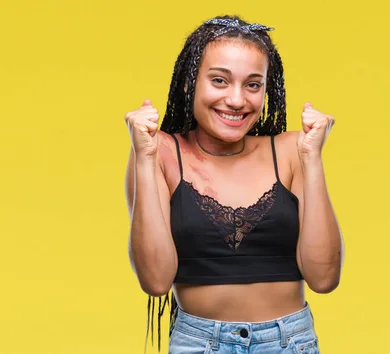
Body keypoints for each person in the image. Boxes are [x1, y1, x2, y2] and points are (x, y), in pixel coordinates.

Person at [124, 15, 344, 354]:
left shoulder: (291, 151)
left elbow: (324, 279)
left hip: (288, 343)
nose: (237, 100)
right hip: (197, 343)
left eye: (253, 85)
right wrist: (144, 156)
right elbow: (155, 281)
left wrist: (313, 158)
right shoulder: (159, 152)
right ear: (189, 83)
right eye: (219, 81)